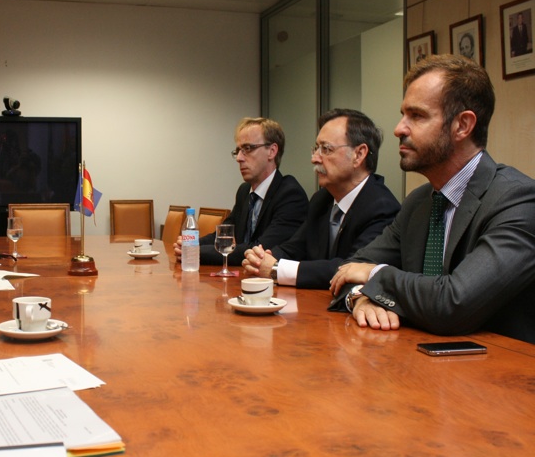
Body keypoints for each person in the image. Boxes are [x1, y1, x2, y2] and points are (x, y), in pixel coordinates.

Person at [329, 54, 535, 344]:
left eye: (417, 116)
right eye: (403, 114)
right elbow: (348, 271)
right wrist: (363, 299)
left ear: (462, 125)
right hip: (419, 368)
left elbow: (453, 304)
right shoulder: (419, 202)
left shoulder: (517, 200)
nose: (399, 129)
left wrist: (376, 274)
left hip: (500, 377)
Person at [242, 109, 400, 289]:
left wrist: (277, 269)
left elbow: (351, 268)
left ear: (359, 154)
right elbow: (295, 247)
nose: (314, 159)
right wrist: (261, 259)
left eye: (326, 149)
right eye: (316, 149)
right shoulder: (322, 199)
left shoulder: (383, 207)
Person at [173, 117, 308, 265]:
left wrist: (195, 251)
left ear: (272, 151)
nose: (239, 158)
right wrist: (190, 244)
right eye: (238, 151)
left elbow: (258, 250)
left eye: (248, 149)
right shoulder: (244, 192)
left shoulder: (290, 195)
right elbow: (224, 235)